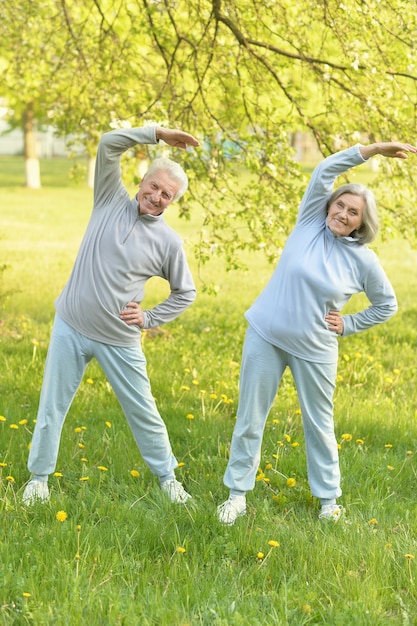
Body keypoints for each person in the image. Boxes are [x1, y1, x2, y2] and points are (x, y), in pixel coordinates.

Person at [217, 140, 417, 525]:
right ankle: (237, 495)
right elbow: (324, 170)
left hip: (315, 348)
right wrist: (372, 149)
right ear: (328, 205)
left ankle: (328, 502)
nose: (342, 213)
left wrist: (349, 323)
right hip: (266, 335)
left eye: (352, 211)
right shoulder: (310, 221)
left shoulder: (363, 260)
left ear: (362, 222)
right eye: (339, 204)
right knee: (249, 418)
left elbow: (386, 304)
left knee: (319, 425)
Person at [22, 124, 200, 505]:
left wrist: (149, 318)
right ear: (142, 181)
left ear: (172, 202)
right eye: (153, 186)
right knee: (52, 404)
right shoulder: (108, 199)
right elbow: (107, 144)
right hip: (70, 324)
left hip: (119, 339)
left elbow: (186, 291)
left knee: (144, 411)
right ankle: (38, 479)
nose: (156, 196)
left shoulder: (168, 242)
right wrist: (158, 134)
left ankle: (168, 479)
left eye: (166, 195)